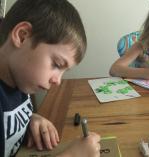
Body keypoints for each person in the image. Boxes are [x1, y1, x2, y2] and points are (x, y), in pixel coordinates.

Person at [0, 0, 100, 157]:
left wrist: (30, 119)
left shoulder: (19, 80)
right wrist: (72, 155)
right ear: (22, 36)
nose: (57, 81)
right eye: (56, 64)